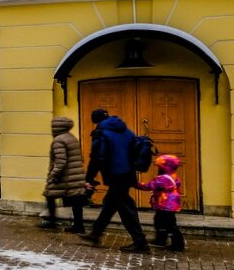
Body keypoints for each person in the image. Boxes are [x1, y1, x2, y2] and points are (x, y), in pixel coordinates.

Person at [79, 108, 149, 253]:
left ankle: (140, 242)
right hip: (128, 173)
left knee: (124, 207)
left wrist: (89, 178)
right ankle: (95, 233)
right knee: (111, 203)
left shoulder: (102, 132)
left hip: (116, 174)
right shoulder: (124, 129)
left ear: (95, 120)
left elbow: (97, 157)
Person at [41, 116, 87, 233]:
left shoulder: (58, 140)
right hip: (74, 174)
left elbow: (60, 161)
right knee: (76, 199)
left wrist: (53, 175)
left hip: (65, 177)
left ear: (56, 127)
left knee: (49, 195)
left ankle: (52, 222)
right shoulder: (71, 137)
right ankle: (79, 225)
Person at [137, 154, 184, 252]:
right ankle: (161, 239)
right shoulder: (174, 177)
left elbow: (149, 185)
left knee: (169, 225)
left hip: (166, 205)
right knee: (160, 221)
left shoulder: (163, 179)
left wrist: (136, 184)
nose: (158, 169)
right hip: (169, 205)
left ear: (165, 168)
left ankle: (178, 244)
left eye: (160, 167)